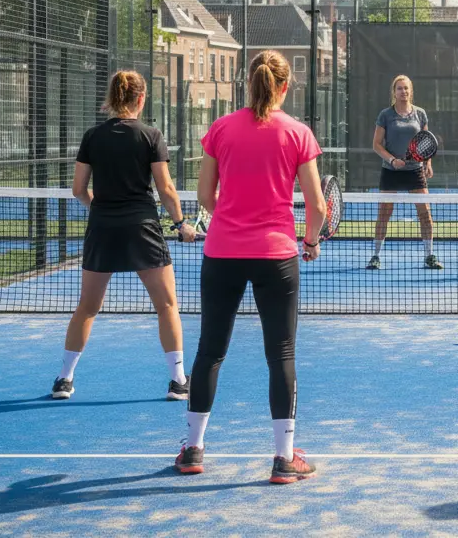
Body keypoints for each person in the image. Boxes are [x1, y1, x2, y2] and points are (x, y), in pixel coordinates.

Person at [175, 50, 327, 484]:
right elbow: (316, 205)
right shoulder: (298, 133)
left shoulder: (220, 130)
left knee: (209, 351)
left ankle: (193, 450)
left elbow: (205, 195)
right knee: (280, 353)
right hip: (276, 256)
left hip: (222, 252)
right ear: (285, 85)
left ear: (248, 83)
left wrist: (233, 215)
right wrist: (310, 241)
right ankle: (283, 458)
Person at [55, 70, 194, 402]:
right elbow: (167, 189)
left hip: (102, 228)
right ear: (141, 99)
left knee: (87, 307)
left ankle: (64, 379)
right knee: (167, 306)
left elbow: (78, 190)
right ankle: (178, 381)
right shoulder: (151, 136)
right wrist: (181, 224)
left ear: (113, 97)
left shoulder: (92, 136)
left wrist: (100, 209)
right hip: (143, 228)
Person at [368, 75, 441, 270]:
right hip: (391, 171)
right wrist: (392, 160)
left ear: (411, 91)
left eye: (406, 88)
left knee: (425, 214)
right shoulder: (385, 115)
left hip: (414, 171)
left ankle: (429, 255)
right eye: (399, 89)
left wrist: (428, 163)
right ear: (394, 92)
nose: (403, 92)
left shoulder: (420, 114)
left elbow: (426, 141)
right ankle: (375, 256)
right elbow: (376, 145)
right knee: (384, 213)